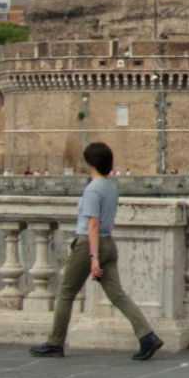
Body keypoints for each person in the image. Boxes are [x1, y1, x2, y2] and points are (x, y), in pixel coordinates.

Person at [30, 142, 162, 362]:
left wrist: (93, 258)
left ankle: (55, 342)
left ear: (90, 162)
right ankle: (147, 336)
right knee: (118, 295)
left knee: (66, 293)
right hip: (109, 243)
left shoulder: (92, 189)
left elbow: (92, 224)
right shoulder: (111, 187)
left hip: (89, 245)